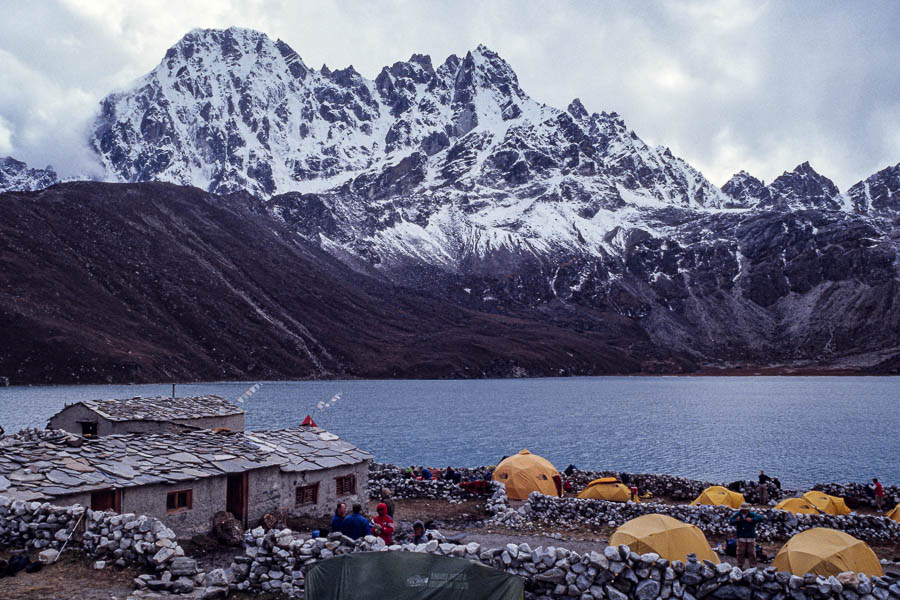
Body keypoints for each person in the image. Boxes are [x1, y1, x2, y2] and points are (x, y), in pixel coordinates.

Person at [730, 503, 764, 568]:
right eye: (743, 509)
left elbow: (761, 518)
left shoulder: (752, 515)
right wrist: (736, 521)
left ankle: (753, 565)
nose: (745, 511)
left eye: (746, 510)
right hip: (741, 536)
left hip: (750, 536)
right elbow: (731, 522)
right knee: (740, 552)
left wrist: (752, 520)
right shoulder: (738, 515)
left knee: (751, 552)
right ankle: (740, 565)